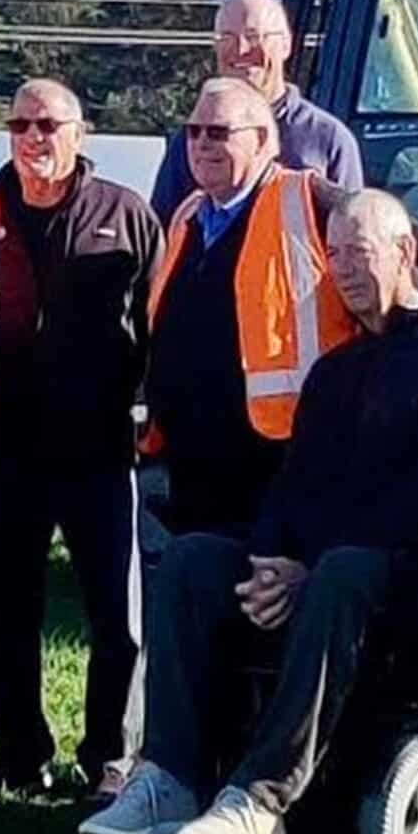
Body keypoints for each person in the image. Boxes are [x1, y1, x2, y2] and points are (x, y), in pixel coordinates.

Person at [83, 191, 418, 834]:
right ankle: (171, 775)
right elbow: (293, 483)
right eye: (332, 255)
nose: (344, 270)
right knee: (193, 560)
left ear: (406, 253)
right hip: (315, 569)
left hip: (414, 576)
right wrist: (269, 561)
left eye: (359, 253)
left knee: (343, 572)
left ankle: (263, 797)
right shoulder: (334, 369)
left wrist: (309, 567)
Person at [0, 78, 161, 799]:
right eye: (20, 123)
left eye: (49, 123)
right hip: (8, 450)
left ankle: (110, 755)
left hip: (100, 450)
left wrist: (145, 407)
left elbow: (158, 320)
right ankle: (20, 753)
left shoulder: (127, 214)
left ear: (81, 133)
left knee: (117, 618)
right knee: (4, 617)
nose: (34, 137)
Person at [142, 79, 352, 540]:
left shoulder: (312, 202)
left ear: (261, 139)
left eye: (218, 132)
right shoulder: (188, 217)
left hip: (283, 468)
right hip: (195, 466)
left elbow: (390, 263)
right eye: (193, 131)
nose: (200, 144)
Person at [148, 0, 362, 222]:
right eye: (227, 38)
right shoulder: (195, 138)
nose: (240, 50)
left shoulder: (328, 139)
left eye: (253, 36)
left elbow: (351, 234)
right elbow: (162, 233)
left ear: (285, 45)